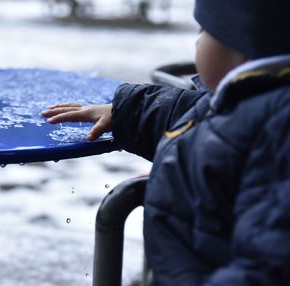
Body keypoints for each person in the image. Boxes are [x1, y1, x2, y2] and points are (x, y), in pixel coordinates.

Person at [41, 0, 290, 284]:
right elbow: (209, 118)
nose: (197, 44)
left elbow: (269, 266)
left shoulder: (279, 134)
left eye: (203, 30)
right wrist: (129, 110)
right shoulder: (255, 103)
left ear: (241, 44)